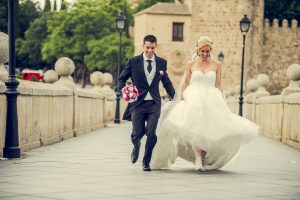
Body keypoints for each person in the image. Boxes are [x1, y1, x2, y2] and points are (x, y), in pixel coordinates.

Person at [151, 36, 259, 172]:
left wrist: (222, 100)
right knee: (196, 128)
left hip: (211, 98)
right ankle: (197, 159)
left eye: (207, 51)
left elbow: (218, 84)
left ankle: (202, 158)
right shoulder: (191, 64)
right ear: (198, 50)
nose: (204, 54)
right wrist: (183, 96)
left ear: (210, 50)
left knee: (208, 130)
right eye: (202, 51)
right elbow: (186, 82)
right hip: (194, 97)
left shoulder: (217, 65)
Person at [118, 35, 175, 171]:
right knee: (137, 133)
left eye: (152, 48)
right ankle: (136, 144)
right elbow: (122, 78)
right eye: (147, 47)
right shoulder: (133, 61)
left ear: (156, 47)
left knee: (151, 132)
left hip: (154, 103)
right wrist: (123, 90)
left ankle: (146, 161)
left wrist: (175, 96)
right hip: (138, 103)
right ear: (143, 46)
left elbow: (166, 81)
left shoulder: (161, 63)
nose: (150, 50)